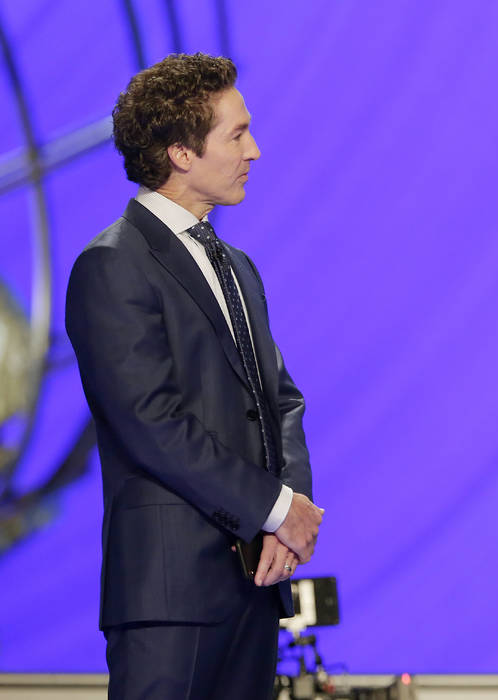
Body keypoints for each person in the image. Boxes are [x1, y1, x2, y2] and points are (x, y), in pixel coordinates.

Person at [66, 53, 324, 699]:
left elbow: (279, 400)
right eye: (237, 134)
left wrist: (288, 517)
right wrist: (272, 508)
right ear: (181, 152)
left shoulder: (236, 264)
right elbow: (149, 422)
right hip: (170, 591)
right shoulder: (112, 265)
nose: (255, 150)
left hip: (256, 580)